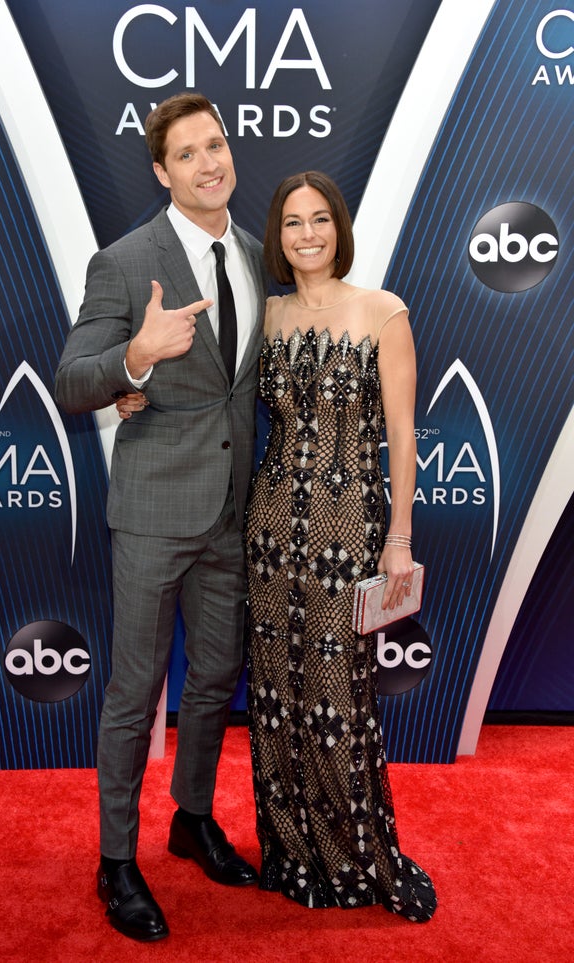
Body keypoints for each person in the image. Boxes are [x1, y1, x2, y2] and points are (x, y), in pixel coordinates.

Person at [54, 92, 267, 943]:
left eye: (216, 145)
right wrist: (136, 354)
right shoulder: (124, 258)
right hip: (149, 515)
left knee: (215, 678)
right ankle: (116, 859)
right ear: (160, 171)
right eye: (187, 154)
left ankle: (190, 817)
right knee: (135, 693)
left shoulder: (256, 253)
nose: (209, 163)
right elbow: (74, 382)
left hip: (230, 514)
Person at [244, 170, 437, 921]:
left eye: (319, 219)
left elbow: (401, 432)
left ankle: (356, 852)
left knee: (337, 696)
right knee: (274, 695)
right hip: (269, 528)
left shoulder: (384, 311)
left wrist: (399, 537)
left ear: (339, 226)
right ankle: (292, 849)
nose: (307, 235)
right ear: (278, 236)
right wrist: (134, 389)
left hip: (348, 524)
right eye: (292, 223)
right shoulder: (267, 315)